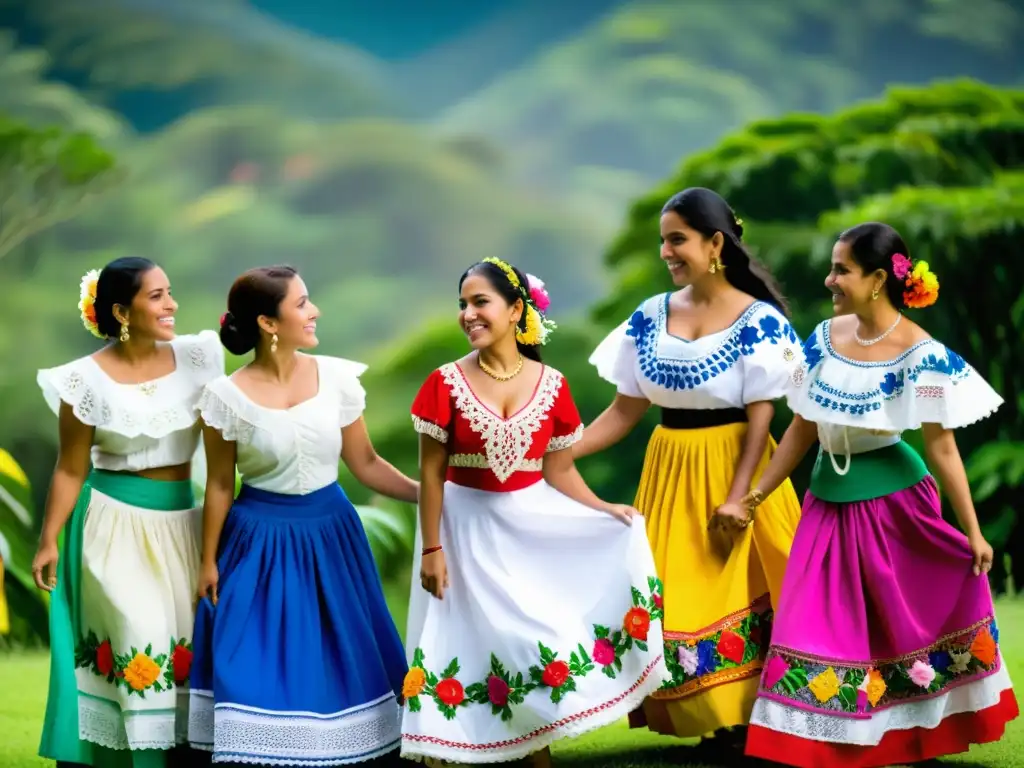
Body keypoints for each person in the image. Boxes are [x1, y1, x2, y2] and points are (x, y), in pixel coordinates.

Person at [738, 222, 1018, 767]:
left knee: (898, 625)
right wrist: (756, 495)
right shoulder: (822, 337)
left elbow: (942, 450)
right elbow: (800, 427)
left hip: (896, 503)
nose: (830, 278)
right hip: (826, 500)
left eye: (842, 269)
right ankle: (807, 742)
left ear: (876, 280)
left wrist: (973, 532)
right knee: (810, 619)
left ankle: (909, 737)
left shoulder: (923, 354)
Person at [400, 258, 671, 766]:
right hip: (462, 527)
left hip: (528, 525)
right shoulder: (443, 383)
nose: (468, 314)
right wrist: (432, 547)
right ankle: (514, 752)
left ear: (515, 309)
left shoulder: (552, 384)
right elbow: (432, 475)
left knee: (534, 636)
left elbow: (559, 469)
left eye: (480, 302)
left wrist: (602, 509)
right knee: (485, 640)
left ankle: (532, 745)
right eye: (463, 304)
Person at [576, 187, 804, 746]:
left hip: (738, 465)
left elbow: (761, 415)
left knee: (744, 589)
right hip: (670, 469)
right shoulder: (649, 317)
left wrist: (741, 495)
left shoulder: (759, 320)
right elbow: (624, 411)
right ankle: (714, 722)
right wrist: (559, 450)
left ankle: (747, 723)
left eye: (677, 239)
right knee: (674, 599)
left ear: (715, 243)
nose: (666, 252)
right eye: (663, 241)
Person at [187, 265, 417, 766]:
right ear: (269, 323)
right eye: (302, 304)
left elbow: (367, 463)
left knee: (343, 652)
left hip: (332, 532)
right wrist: (208, 560)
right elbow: (221, 484)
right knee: (250, 654)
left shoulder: (337, 378)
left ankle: (351, 752)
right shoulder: (224, 398)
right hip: (257, 538)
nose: (314, 312)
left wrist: (428, 494)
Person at [34, 257, 223, 768]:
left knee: (185, 653)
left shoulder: (199, 357)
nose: (172, 304)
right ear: (122, 310)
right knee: (138, 641)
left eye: (170, 291)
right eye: (157, 296)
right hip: (113, 526)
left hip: (184, 524)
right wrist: (50, 539)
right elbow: (70, 469)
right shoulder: (82, 382)